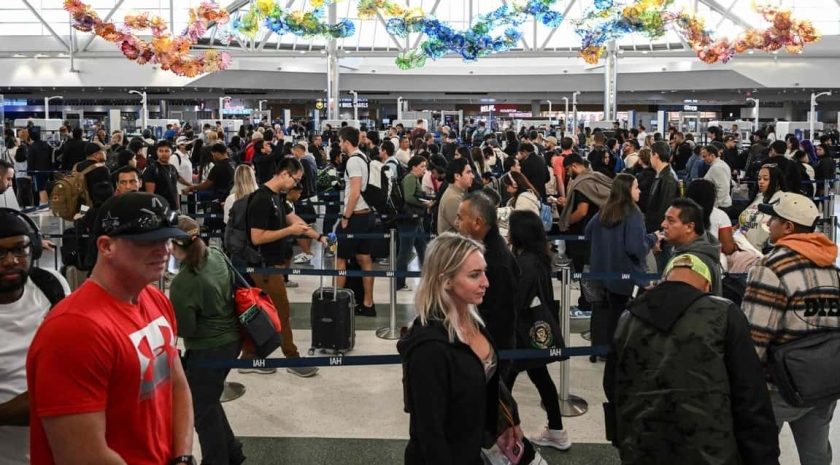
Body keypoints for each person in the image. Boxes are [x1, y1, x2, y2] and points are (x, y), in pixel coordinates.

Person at [26, 192, 196, 465]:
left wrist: (183, 456)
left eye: (166, 239)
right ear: (106, 246)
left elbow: (178, 386)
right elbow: (82, 456)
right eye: (147, 241)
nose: (163, 250)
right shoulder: (74, 331)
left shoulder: (156, 300)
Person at [604, 253, 780, 465]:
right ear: (707, 285)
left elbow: (612, 386)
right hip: (711, 451)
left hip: (642, 447)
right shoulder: (724, 314)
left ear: (665, 278)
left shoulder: (628, 317)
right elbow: (750, 395)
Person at [398, 233, 542, 465]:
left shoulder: (474, 321)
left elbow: (490, 381)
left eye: (484, 272)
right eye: (475, 275)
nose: (486, 282)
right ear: (446, 280)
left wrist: (509, 418)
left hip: (476, 447)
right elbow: (430, 432)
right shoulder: (429, 349)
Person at [742, 193, 839, 465]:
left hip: (778, 387)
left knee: (758, 452)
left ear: (788, 227)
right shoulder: (831, 268)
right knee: (817, 455)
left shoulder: (770, 267)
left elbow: (755, 337)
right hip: (825, 381)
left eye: (774, 218)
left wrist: (743, 386)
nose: (768, 223)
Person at [169, 216, 245, 465]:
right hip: (233, 340)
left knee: (201, 409)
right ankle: (232, 452)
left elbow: (188, 329)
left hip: (207, 349)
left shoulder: (184, 283)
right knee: (208, 399)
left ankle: (216, 460)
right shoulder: (215, 254)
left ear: (172, 245)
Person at [0, 210, 70, 465]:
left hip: (55, 450)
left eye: (20, 249)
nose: (10, 261)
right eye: (0, 253)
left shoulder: (51, 287)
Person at [246, 158, 324, 377]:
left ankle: (250, 355)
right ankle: (292, 357)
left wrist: (319, 236)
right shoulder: (261, 199)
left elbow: (294, 220)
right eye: (295, 179)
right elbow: (257, 237)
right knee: (281, 313)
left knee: (259, 313)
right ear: (284, 174)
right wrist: (289, 232)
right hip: (263, 267)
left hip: (271, 267)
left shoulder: (277, 198)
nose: (296, 185)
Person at [504, 210, 571, 451]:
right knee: (539, 378)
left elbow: (518, 300)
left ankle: (502, 434)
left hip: (522, 332)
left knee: (504, 382)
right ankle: (556, 430)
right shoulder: (536, 257)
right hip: (531, 330)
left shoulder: (527, 263)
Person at [585, 173, 655, 356]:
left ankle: (600, 348)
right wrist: (652, 239)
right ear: (627, 190)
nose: (639, 191)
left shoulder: (604, 210)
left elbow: (588, 233)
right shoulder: (633, 214)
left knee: (603, 314)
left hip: (602, 273)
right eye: (636, 187)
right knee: (622, 316)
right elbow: (635, 248)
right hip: (625, 276)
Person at [335, 126, 377, 317]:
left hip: (356, 216)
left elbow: (355, 190)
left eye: (340, 141)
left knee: (340, 259)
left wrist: (346, 217)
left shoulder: (352, 161)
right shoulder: (363, 157)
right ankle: (368, 303)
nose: (339, 144)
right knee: (364, 259)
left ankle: (338, 303)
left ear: (346, 141)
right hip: (367, 215)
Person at [659, 198, 722, 295]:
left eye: (671, 221)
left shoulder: (689, 263)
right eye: (665, 219)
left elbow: (677, 305)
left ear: (689, 227)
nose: (663, 224)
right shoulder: (702, 249)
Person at [395, 156, 431, 291]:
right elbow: (409, 197)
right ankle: (399, 282)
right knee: (405, 252)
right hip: (408, 221)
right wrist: (425, 203)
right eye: (422, 166)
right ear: (414, 167)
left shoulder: (414, 178)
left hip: (415, 220)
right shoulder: (410, 178)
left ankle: (427, 278)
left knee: (422, 249)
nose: (424, 169)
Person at [737, 164, 785, 252]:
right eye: (759, 179)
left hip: (758, 254)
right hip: (741, 247)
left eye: (765, 179)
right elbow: (746, 220)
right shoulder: (759, 197)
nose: (761, 182)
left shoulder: (782, 201)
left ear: (777, 181)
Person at [437, 158, 474, 234]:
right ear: (457, 176)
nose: (472, 176)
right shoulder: (453, 199)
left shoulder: (459, 193)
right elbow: (467, 230)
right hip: (453, 244)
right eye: (468, 172)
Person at [143, 140, 182, 209]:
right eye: (161, 151)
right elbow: (150, 195)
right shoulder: (152, 169)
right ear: (156, 152)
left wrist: (178, 208)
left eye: (166, 151)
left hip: (173, 209)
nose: (163, 154)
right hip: (160, 210)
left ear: (171, 152)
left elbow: (174, 189)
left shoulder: (172, 168)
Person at [702, 144, 732, 209]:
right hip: (722, 204)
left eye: (704, 156)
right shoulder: (720, 164)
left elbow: (724, 187)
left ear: (712, 156)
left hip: (721, 206)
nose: (703, 159)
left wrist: (715, 206)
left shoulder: (717, 167)